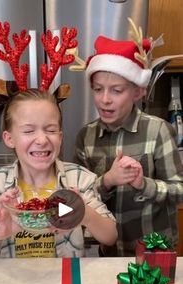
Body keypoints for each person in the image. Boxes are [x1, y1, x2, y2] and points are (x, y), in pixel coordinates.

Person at [0, 89, 117, 258]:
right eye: (29, 131)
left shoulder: (79, 179)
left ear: (60, 137)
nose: (42, 140)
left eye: (50, 130)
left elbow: (110, 236)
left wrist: (84, 213)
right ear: (10, 139)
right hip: (11, 280)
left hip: (64, 279)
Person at [74, 33, 183, 256]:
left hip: (155, 252)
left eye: (117, 90)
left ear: (138, 91)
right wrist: (108, 181)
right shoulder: (86, 136)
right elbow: (78, 200)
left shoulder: (158, 131)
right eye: (98, 89)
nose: (105, 99)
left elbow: (179, 191)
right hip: (108, 252)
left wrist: (143, 183)